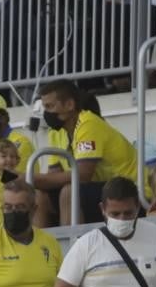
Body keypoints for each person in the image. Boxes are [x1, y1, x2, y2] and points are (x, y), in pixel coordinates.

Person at [31, 80, 138, 226]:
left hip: (128, 190)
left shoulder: (88, 123)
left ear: (69, 105)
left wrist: (32, 178)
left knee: (70, 192)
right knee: (40, 195)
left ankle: (73, 247)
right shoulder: (56, 133)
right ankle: (39, 248)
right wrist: (34, 182)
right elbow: (53, 175)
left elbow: (83, 175)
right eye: (44, 107)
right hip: (101, 189)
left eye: (50, 106)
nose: (46, 113)